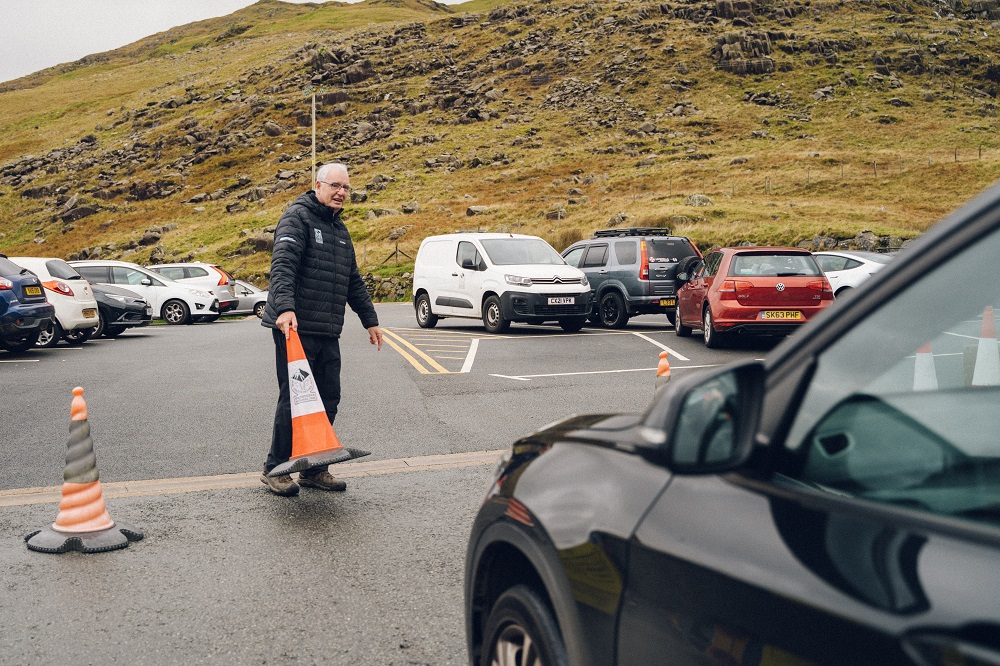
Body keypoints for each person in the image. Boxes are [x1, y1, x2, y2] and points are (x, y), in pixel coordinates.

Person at [260, 162, 383, 497]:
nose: (341, 193)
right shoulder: (296, 218)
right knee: (295, 400)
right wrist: (285, 308)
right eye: (335, 186)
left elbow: (352, 279)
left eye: (346, 187)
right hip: (294, 328)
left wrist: (369, 319)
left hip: (328, 328)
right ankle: (275, 468)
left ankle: (314, 468)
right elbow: (282, 266)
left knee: (329, 397)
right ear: (318, 185)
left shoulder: (339, 230)